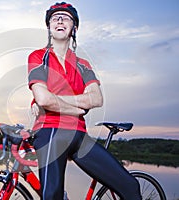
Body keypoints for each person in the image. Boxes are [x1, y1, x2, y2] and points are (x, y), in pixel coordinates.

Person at [27, 2, 142, 200]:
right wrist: (76, 107)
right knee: (52, 196)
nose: (60, 20)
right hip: (50, 130)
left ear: (74, 28)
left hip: (79, 135)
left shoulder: (83, 65)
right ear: (49, 27)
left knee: (131, 186)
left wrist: (55, 102)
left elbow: (96, 99)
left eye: (66, 17)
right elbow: (43, 98)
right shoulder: (38, 57)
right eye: (55, 17)